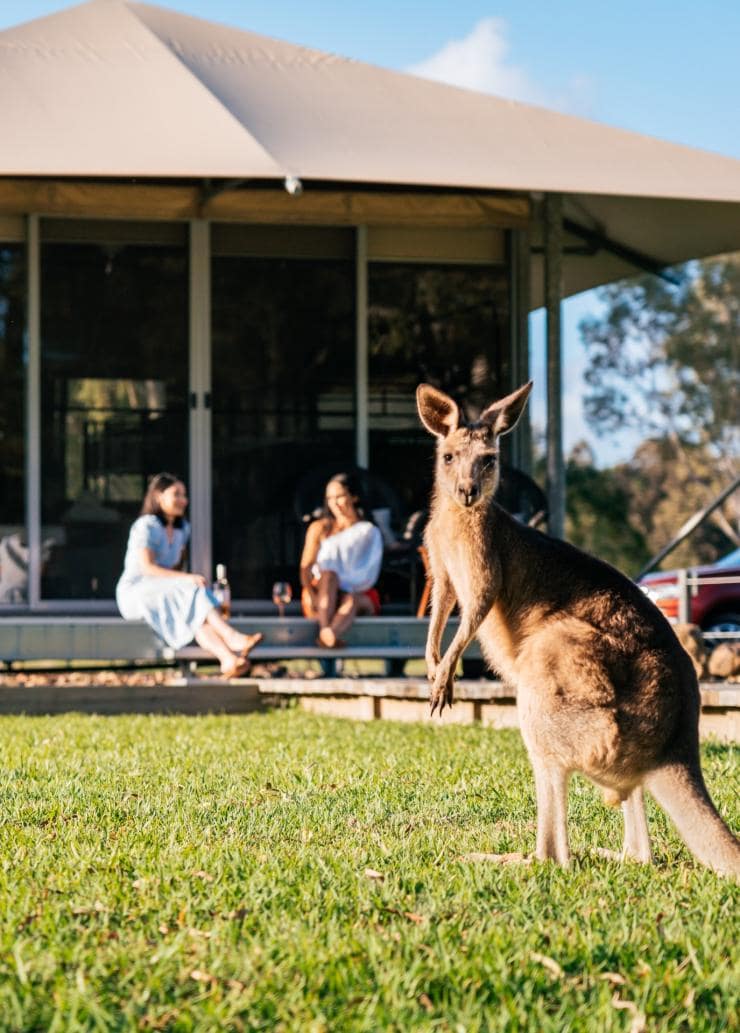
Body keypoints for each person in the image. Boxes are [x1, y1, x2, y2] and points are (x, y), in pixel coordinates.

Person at [116, 473, 262, 677]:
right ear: (158, 496)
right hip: (137, 593)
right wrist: (186, 579)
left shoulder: (182, 529)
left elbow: (174, 568)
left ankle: (228, 659)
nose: (183, 500)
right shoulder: (146, 526)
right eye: (177, 494)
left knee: (197, 619)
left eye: (184, 495)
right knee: (194, 588)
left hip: (164, 593)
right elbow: (147, 568)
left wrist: (183, 581)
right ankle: (230, 635)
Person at [299, 472, 383, 648]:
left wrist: (346, 588)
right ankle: (327, 631)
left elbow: (369, 570)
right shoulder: (319, 527)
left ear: (354, 496)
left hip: (357, 592)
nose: (334, 503)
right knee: (329, 575)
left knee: (351, 599)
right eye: (330, 498)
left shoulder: (368, 531)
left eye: (340, 497)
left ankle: (326, 635)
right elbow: (305, 567)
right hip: (323, 592)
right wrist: (313, 595)